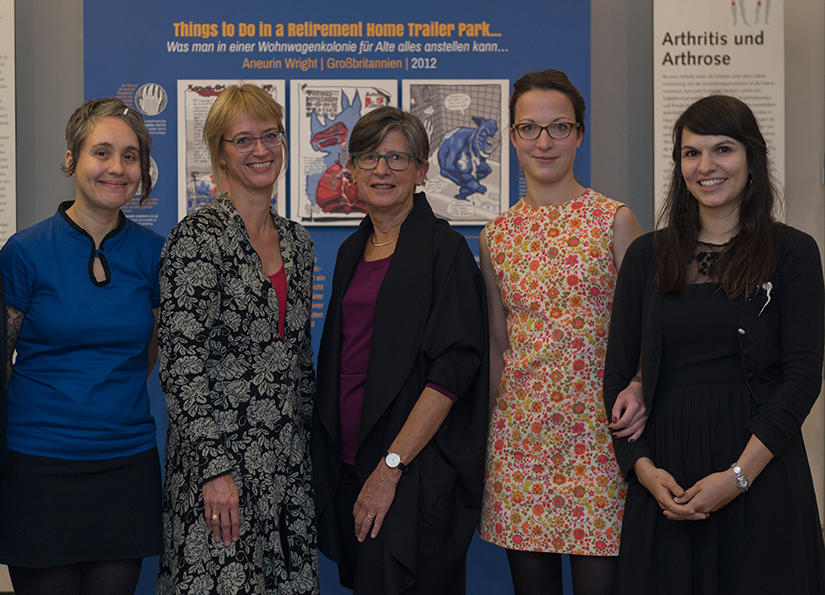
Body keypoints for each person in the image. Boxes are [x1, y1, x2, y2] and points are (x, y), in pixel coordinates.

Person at [603, 94, 825, 594]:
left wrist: (737, 477)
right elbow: (617, 376)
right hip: (667, 484)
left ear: (751, 158)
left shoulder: (793, 252)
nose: (706, 166)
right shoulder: (646, 256)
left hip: (762, 473)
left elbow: (802, 378)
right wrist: (643, 471)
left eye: (722, 149)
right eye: (691, 153)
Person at [478, 70, 644, 595]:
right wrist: (485, 437)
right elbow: (499, 346)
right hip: (521, 445)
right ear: (512, 136)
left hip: (600, 443)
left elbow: (651, 328)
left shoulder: (614, 221)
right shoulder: (496, 236)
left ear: (579, 134)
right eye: (529, 128)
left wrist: (640, 386)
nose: (543, 142)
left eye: (559, 127)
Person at [313, 106, 488, 594]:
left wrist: (391, 467)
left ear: (421, 170)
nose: (381, 170)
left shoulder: (445, 252)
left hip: (412, 471)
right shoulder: (351, 251)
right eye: (369, 157)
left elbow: (452, 372)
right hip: (351, 464)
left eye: (396, 157)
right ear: (352, 169)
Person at [157, 84, 318, 594]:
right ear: (220, 155)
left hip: (286, 467)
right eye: (243, 139)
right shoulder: (198, 237)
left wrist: (308, 454)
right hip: (220, 470)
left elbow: (300, 359)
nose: (261, 149)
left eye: (271, 135)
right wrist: (214, 471)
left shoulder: (297, 242)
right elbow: (181, 364)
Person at [0, 97, 162, 593]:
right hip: (38, 466)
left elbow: (149, 352)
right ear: (71, 160)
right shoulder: (24, 252)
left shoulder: (156, 254)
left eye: (130, 156)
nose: (117, 167)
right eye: (102, 152)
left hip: (125, 465)